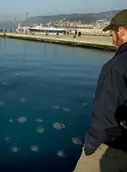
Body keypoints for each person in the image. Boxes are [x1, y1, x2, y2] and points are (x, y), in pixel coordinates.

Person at [73, 9, 127, 172]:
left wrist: (90, 147)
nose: (112, 41)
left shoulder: (116, 67)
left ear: (121, 31)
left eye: (112, 35)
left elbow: (104, 115)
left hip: (116, 148)